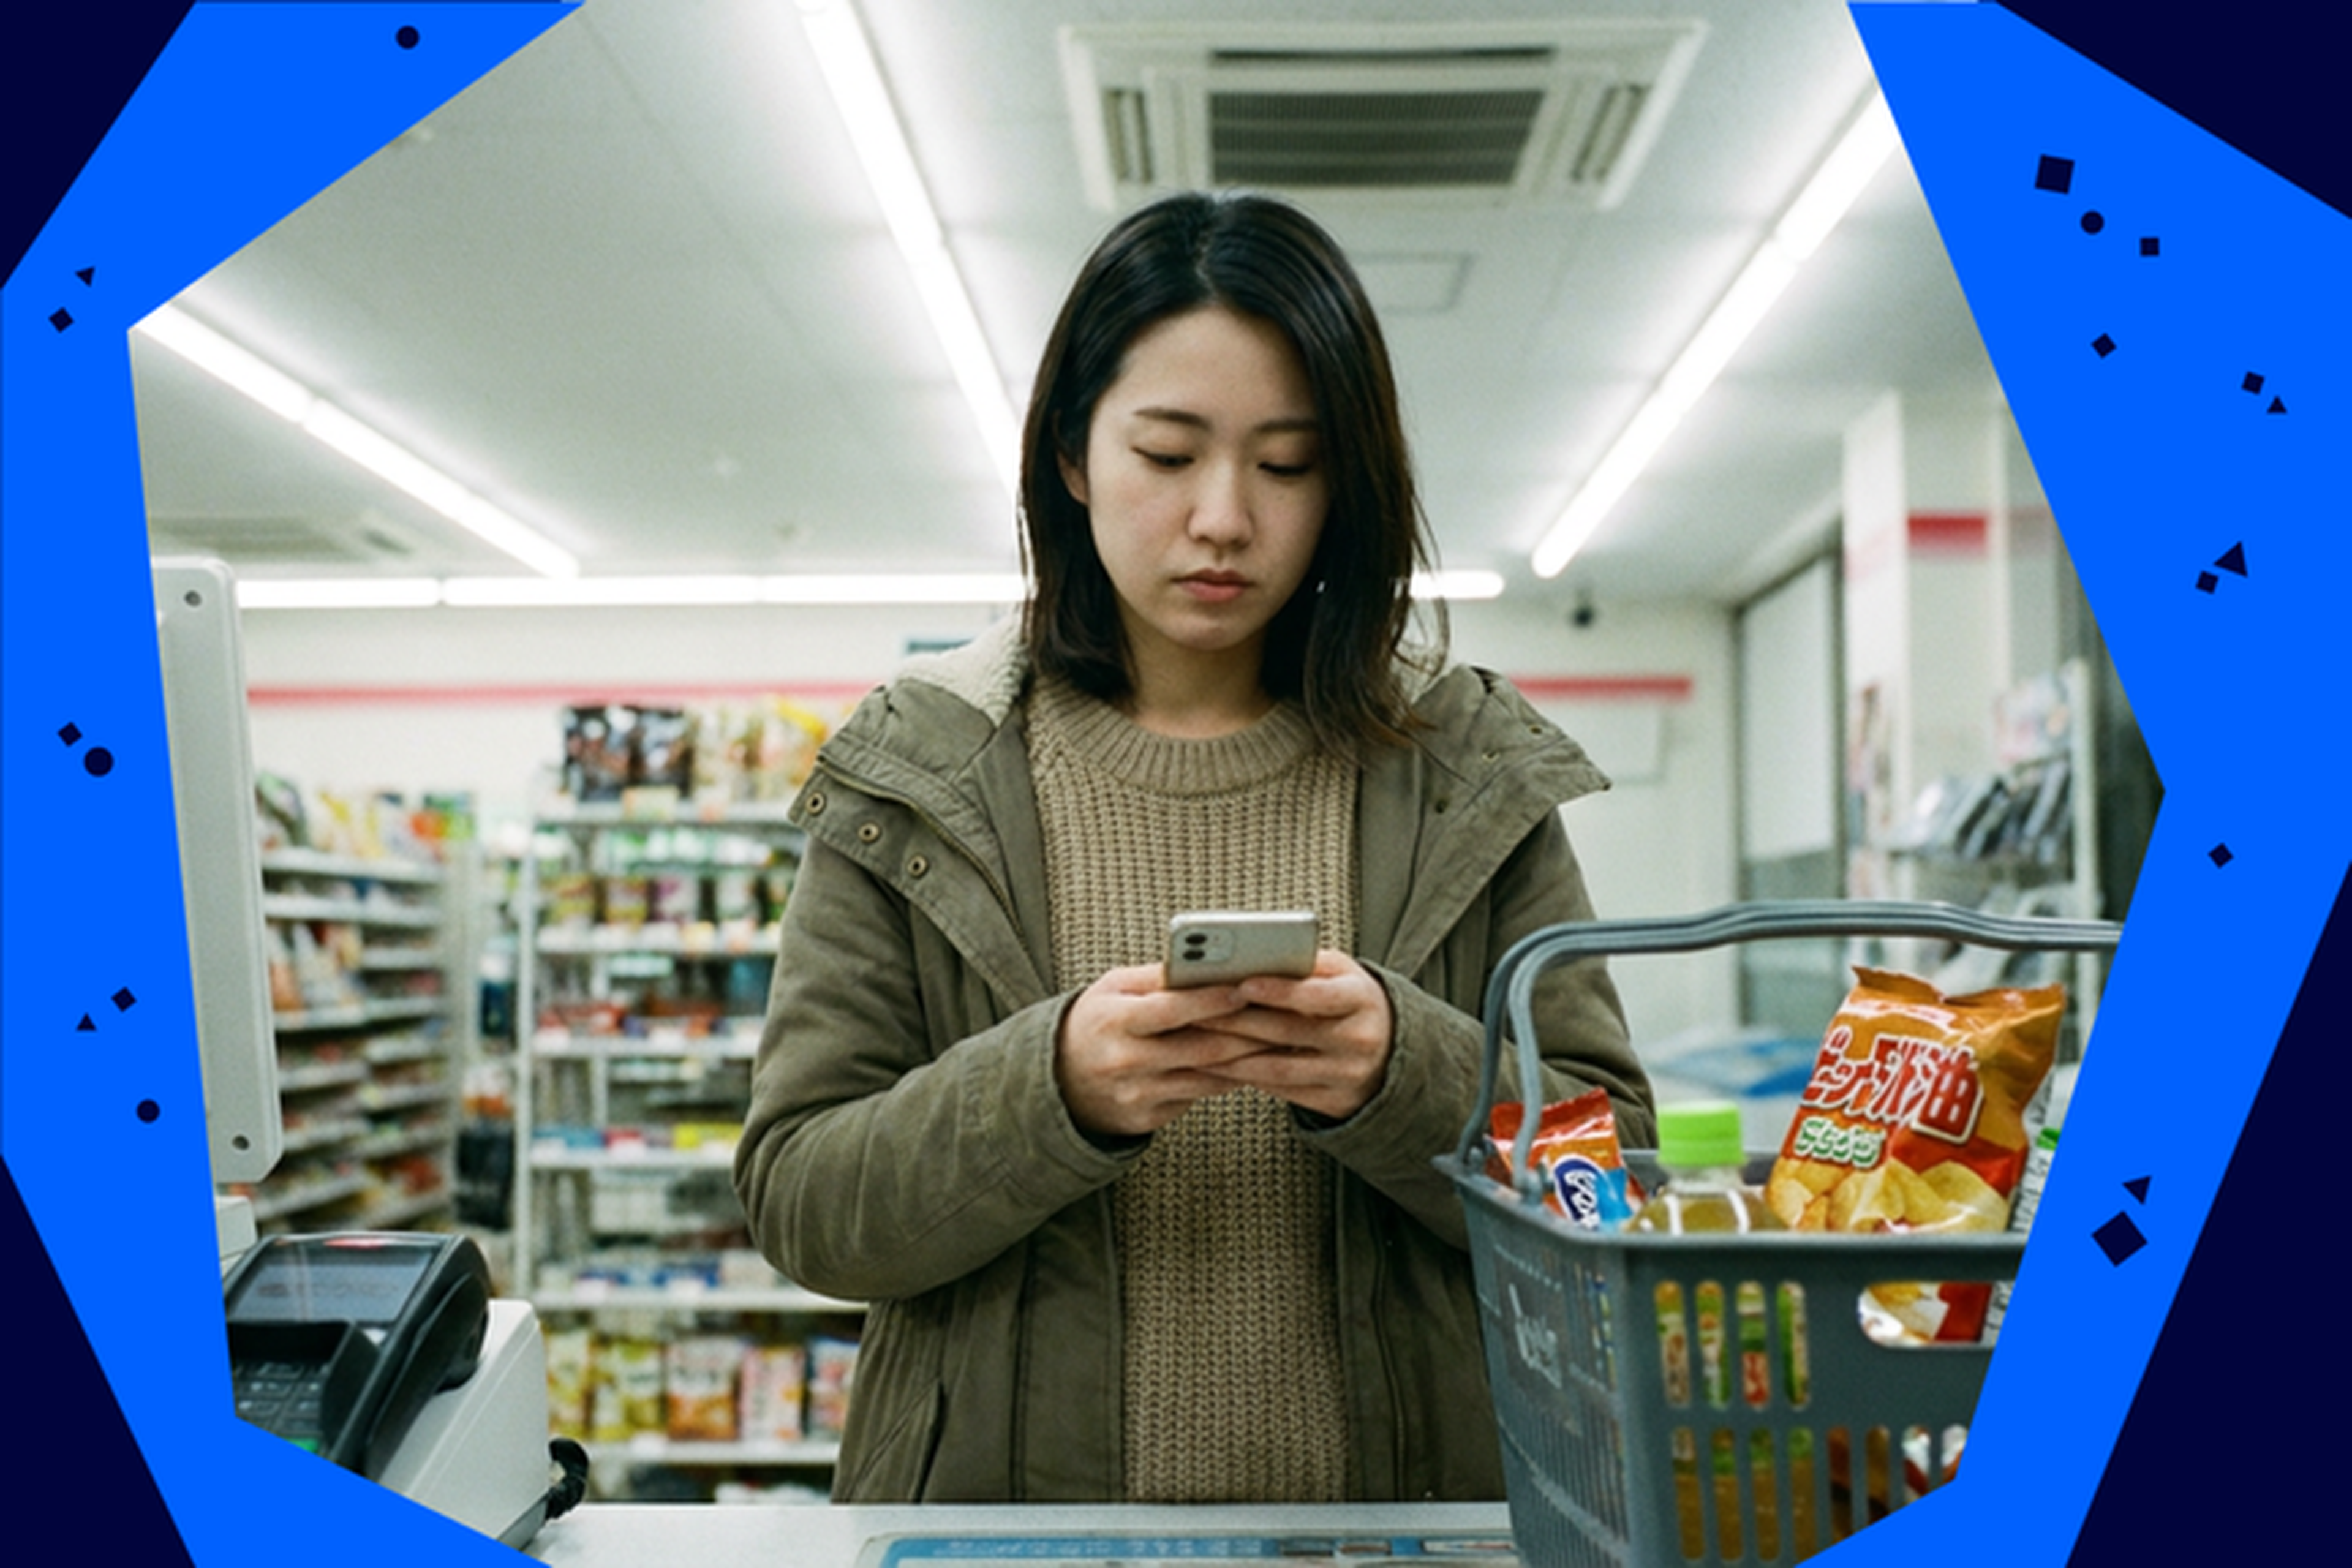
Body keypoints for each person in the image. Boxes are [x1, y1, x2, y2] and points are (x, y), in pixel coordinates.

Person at [732, 190, 1654, 1505]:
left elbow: (1613, 1184)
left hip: (1416, 1524)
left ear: (1350, 483)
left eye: (1287, 464)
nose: (1225, 517)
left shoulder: (1464, 765)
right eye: (1167, 453)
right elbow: (803, 1196)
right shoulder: (920, 766)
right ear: (1070, 453)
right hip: (1006, 1538)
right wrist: (1048, 1087)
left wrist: (1405, 1071)